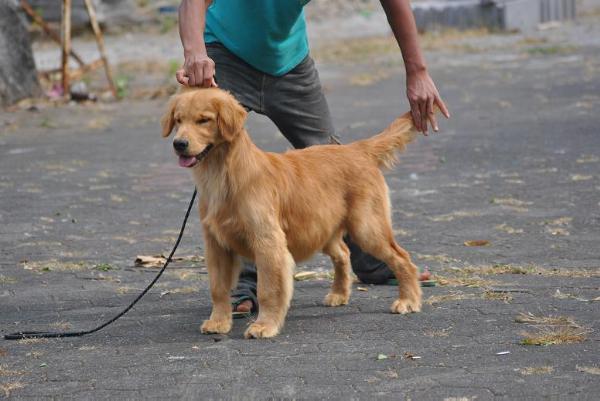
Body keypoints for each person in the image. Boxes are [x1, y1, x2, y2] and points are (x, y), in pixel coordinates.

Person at [176, 0, 449, 315]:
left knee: (334, 161)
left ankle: (373, 261)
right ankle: (243, 287)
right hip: (225, 51)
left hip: (288, 60)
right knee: (228, 172)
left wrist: (418, 71)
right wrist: (195, 52)